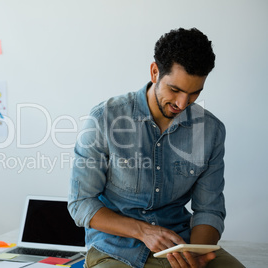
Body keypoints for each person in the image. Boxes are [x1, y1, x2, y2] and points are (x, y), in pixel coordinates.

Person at [68, 28, 245, 268]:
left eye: (194, 93)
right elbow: (82, 203)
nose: (183, 103)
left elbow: (209, 210)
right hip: (116, 249)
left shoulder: (211, 131)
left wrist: (197, 254)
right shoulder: (105, 119)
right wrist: (144, 232)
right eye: (175, 90)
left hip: (182, 244)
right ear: (155, 72)